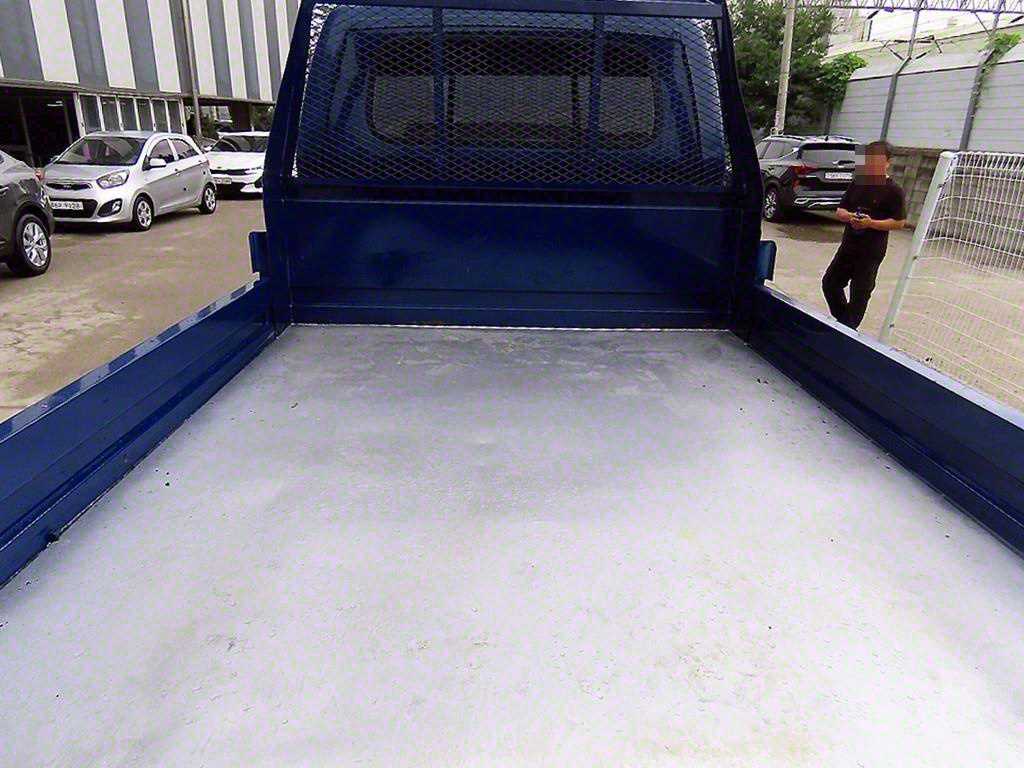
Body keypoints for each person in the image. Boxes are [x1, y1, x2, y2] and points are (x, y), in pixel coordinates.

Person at [822, 140, 907, 330]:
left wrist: (871, 223)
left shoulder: (894, 190)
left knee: (859, 295)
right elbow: (840, 210)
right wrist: (851, 217)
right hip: (848, 247)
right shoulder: (858, 183)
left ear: (887, 162)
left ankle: (847, 331)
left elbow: (899, 222)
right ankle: (845, 325)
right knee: (830, 284)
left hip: (871, 252)